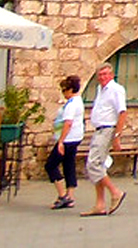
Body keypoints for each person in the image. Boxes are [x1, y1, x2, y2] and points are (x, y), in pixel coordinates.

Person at [82, 62, 127, 216]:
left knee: (93, 164)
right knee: (99, 165)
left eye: (105, 74)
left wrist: (117, 137)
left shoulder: (116, 90)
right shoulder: (100, 90)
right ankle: (99, 204)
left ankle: (115, 192)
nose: (103, 77)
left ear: (111, 75)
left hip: (107, 130)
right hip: (99, 129)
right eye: (100, 75)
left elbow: (122, 112)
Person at [46, 74, 84, 209]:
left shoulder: (71, 105)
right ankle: (70, 195)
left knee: (51, 165)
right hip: (75, 137)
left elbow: (68, 123)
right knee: (69, 165)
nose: (63, 93)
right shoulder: (78, 101)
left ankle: (62, 195)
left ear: (70, 90)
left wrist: (61, 141)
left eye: (64, 90)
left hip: (68, 139)